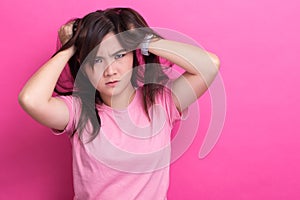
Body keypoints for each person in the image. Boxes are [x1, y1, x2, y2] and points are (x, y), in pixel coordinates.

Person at [18, 7, 220, 200]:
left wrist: (144, 39)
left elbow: (210, 65)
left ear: (134, 55)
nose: (110, 70)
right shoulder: (78, 111)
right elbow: (30, 100)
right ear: (83, 66)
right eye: (97, 60)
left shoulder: (161, 101)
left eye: (119, 55)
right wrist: (70, 47)